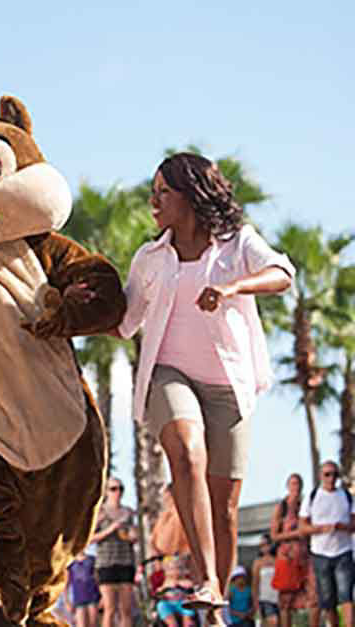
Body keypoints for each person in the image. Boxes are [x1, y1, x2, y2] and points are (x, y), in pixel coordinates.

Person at [117, 152, 295, 617]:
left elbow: (282, 273)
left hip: (229, 385)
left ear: (191, 195)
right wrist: (79, 304)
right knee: (186, 453)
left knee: (225, 510)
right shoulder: (150, 258)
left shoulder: (237, 244)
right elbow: (124, 321)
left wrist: (233, 288)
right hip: (168, 373)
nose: (154, 202)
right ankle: (207, 579)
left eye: (163, 192)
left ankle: (215, 606)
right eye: (153, 192)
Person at [299, 460, 355, 627]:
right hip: (320, 554)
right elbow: (302, 527)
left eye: (335, 474)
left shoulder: (346, 496)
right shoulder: (312, 497)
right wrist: (320, 529)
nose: (331, 478)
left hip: (343, 552)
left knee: (346, 595)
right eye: (327, 474)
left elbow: (354, 523)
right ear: (320, 476)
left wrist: (342, 527)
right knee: (327, 599)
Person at [270, 473, 319, 627]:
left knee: (314, 597)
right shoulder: (282, 507)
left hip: (306, 557)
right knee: (286, 601)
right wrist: (296, 533)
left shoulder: (306, 505)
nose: (295, 487)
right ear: (288, 486)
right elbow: (274, 535)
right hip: (287, 557)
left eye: (298, 483)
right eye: (292, 483)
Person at [91, 477, 137, 627]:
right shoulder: (100, 512)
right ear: (106, 491)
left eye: (120, 488)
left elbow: (134, 534)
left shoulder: (128, 512)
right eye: (113, 489)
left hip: (126, 562)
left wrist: (132, 536)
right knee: (110, 608)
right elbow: (89, 539)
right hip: (106, 563)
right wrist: (111, 529)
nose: (118, 492)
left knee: (126, 610)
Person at [67, 550, 101, 627]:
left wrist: (102, 597)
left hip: (93, 596)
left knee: (93, 623)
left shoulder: (92, 559)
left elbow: (98, 579)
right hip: (78, 598)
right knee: (81, 624)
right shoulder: (70, 562)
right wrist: (67, 601)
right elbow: (66, 584)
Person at [252, 534, 280, 626]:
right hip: (265, 598)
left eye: (266, 544)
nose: (264, 547)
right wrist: (256, 603)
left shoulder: (278, 559)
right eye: (261, 545)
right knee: (272, 622)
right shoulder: (258, 562)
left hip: (279, 598)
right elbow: (255, 584)